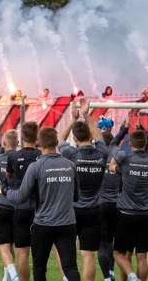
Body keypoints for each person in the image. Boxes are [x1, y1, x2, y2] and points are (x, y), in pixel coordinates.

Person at [0, 126, 80, 281]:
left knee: (39, 269)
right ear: (56, 141)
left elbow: (20, 196)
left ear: (39, 143)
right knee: (70, 267)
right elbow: (77, 197)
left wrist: (5, 190)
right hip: (67, 224)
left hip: (43, 224)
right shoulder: (70, 165)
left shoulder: (36, 167)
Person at [58, 99, 108, 281]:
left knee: (67, 253)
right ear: (91, 137)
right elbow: (100, 138)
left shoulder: (72, 154)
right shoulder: (101, 153)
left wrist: (73, 119)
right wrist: (87, 115)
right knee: (88, 256)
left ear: (76, 140)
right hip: (93, 211)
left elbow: (60, 139)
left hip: (72, 211)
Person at [109, 110, 148, 281]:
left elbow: (113, 145)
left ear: (130, 144)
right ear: (145, 143)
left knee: (118, 253)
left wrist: (124, 128)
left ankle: (131, 276)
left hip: (127, 214)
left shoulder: (125, 160)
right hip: (146, 215)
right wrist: (143, 131)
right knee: (142, 257)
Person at [6, 122, 42, 281]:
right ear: (36, 137)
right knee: (40, 251)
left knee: (22, 252)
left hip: (20, 207)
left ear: (22, 137)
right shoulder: (42, 155)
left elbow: (9, 176)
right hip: (39, 208)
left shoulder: (13, 156)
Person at [0, 129, 20, 281]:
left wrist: (2, 147)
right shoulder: (20, 159)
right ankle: (7, 277)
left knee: (4, 245)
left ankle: (14, 276)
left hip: (0, 205)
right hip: (16, 205)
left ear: (3, 143)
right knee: (11, 245)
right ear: (17, 143)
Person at [98, 130, 119, 281]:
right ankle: (111, 271)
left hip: (101, 205)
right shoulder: (118, 158)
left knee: (102, 243)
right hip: (117, 206)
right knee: (111, 241)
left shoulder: (97, 158)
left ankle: (106, 277)